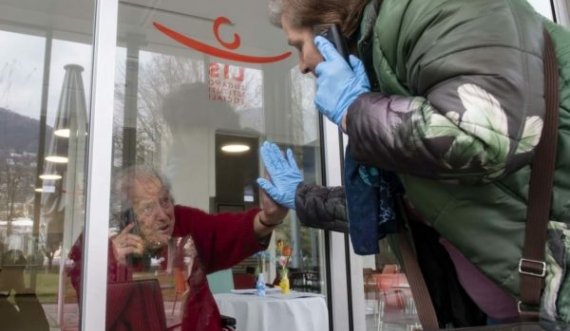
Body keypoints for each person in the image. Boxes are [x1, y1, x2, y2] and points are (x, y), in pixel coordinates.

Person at [260, 0, 570, 327]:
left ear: (329, 25)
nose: (302, 66)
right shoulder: (383, 65)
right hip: (513, 309)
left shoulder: (433, 8)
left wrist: (356, 113)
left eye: (298, 46)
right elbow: (398, 205)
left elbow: (482, 135)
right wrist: (300, 197)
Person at [68, 165, 287, 331]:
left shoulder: (184, 223)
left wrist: (268, 218)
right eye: (147, 207)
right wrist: (111, 259)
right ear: (125, 215)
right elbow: (85, 308)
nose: (163, 215)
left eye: (165, 201)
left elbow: (225, 231)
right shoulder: (96, 242)